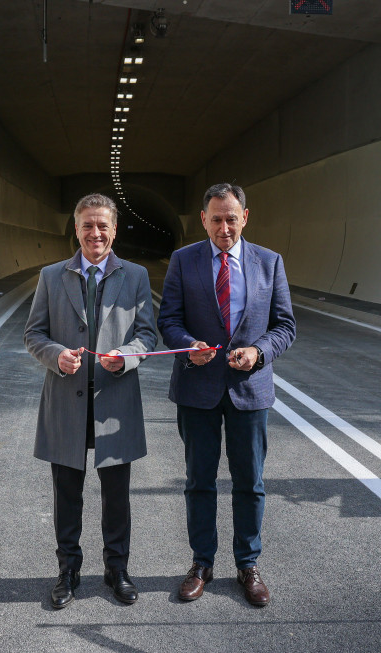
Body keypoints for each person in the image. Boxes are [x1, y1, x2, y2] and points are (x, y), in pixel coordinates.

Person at [157, 182, 295, 607]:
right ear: (203, 219)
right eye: (216, 219)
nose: (224, 227)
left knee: (249, 483)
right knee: (199, 481)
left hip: (249, 391)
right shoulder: (184, 260)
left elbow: (285, 326)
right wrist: (188, 345)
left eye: (231, 218)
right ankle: (201, 563)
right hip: (196, 390)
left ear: (245, 218)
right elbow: (169, 319)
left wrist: (258, 352)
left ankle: (248, 564)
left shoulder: (269, 263)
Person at [24, 193, 157, 609]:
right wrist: (55, 357)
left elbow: (148, 335)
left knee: (116, 495)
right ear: (76, 229)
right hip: (66, 399)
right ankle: (68, 570)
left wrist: (128, 356)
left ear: (114, 230)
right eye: (87, 225)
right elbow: (33, 334)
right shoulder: (51, 276)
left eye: (103, 226)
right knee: (67, 494)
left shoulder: (135, 276)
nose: (95, 233)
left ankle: (117, 569)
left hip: (114, 403)